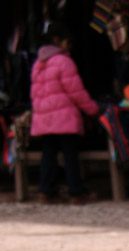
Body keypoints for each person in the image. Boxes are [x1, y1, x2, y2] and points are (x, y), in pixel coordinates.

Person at [30, 21, 99, 205]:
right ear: (57, 40)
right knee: (70, 154)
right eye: (67, 42)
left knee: (48, 154)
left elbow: (34, 93)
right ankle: (76, 192)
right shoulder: (64, 62)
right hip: (64, 117)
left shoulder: (38, 63)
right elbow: (76, 92)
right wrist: (92, 109)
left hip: (45, 118)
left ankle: (45, 191)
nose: (70, 46)